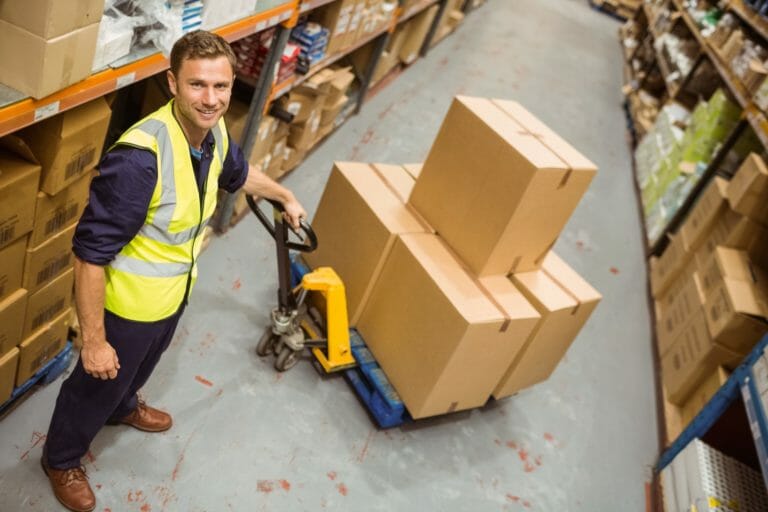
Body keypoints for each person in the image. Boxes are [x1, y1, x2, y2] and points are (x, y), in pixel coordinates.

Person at [41, 30, 306, 512]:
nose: (211, 99)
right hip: (125, 307)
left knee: (140, 370)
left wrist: (284, 195)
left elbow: (237, 175)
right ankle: (61, 458)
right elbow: (90, 254)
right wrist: (95, 341)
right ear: (172, 84)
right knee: (93, 386)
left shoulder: (214, 132)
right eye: (197, 86)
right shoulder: (140, 160)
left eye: (221, 87)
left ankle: (123, 407)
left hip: (172, 293)